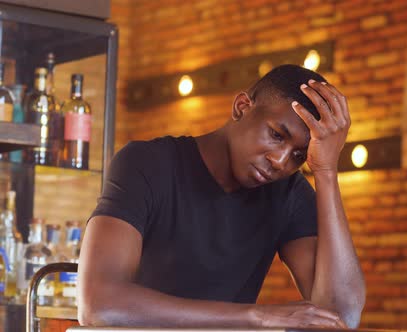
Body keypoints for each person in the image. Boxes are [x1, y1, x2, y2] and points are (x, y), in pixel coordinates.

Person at [78, 64, 366, 328]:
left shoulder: (288, 192)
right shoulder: (147, 163)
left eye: (298, 155)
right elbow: (98, 304)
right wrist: (256, 316)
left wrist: (326, 170)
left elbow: (342, 316)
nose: (280, 161)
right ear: (242, 107)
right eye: (277, 135)